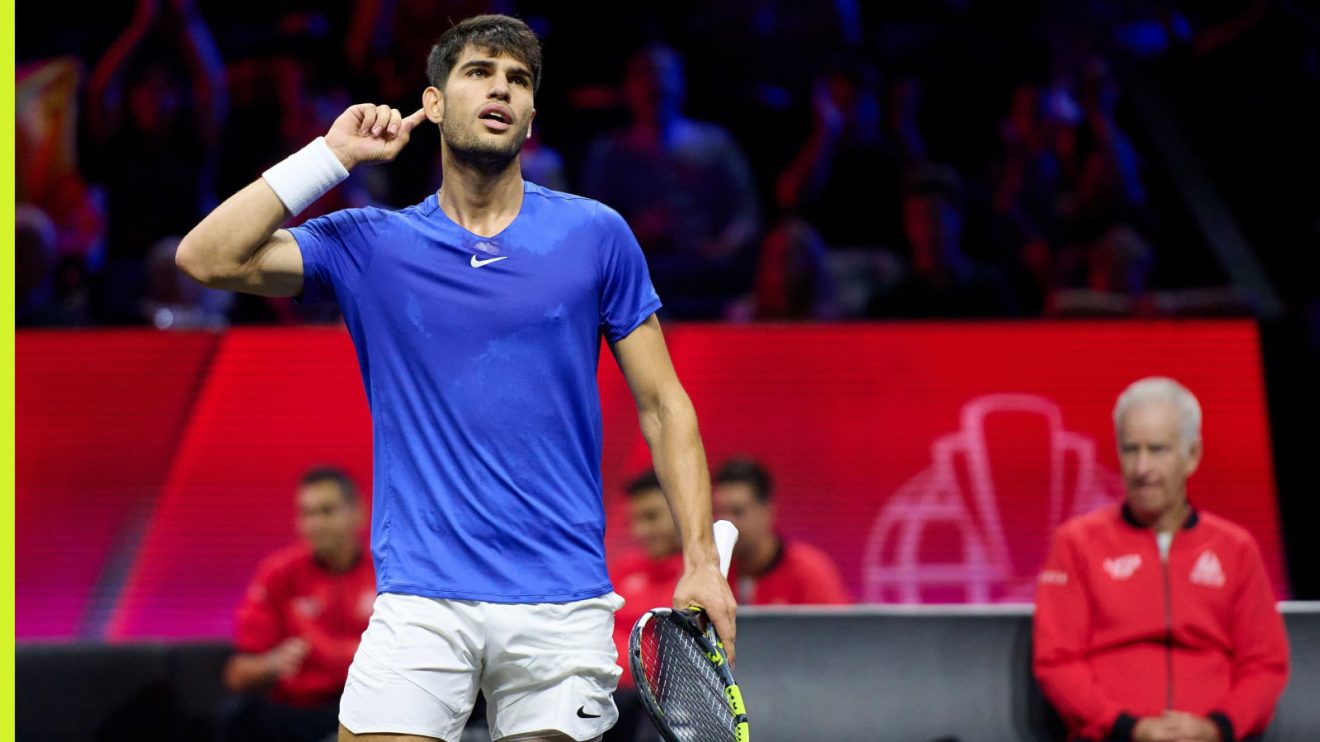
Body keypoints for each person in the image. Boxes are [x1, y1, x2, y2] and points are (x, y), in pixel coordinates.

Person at [176, 15, 735, 742]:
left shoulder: (596, 235)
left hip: (559, 605)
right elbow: (205, 258)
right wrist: (329, 157)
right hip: (420, 603)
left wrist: (700, 560)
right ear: (433, 103)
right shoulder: (371, 243)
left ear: (531, 116)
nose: (500, 87)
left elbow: (664, 407)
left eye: (519, 79)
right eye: (479, 72)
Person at [1033, 377, 1289, 742]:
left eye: (1157, 450)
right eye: (1130, 450)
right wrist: (1128, 728)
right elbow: (1057, 662)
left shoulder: (1236, 548)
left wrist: (1218, 727)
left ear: (1193, 455)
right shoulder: (1076, 543)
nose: (1141, 468)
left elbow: (1265, 663)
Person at [579, 43, 760, 319]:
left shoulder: (716, 143)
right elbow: (592, 225)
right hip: (642, 275)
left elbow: (746, 213)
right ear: (628, 88)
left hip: (710, 273)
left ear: (681, 81)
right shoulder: (610, 152)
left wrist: (725, 244)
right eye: (644, 74)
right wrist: (635, 232)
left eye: (665, 72)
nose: (655, 82)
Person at [222, 467, 374, 742]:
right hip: (299, 714)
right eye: (306, 513)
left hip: (371, 712)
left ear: (359, 512)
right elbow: (238, 674)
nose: (314, 524)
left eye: (326, 511)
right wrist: (271, 664)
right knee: (239, 716)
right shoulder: (277, 573)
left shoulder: (388, 574)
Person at [606, 470, 685, 742]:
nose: (641, 531)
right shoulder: (623, 568)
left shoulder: (700, 580)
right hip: (603, 703)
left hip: (657, 714)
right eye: (636, 520)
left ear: (682, 511)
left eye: (652, 517)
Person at [712, 457, 851, 605]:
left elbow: (842, 628)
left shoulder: (811, 574)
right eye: (719, 512)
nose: (726, 523)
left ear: (767, 512)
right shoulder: (706, 572)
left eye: (737, 512)